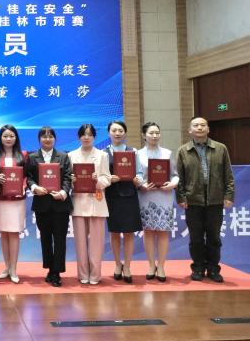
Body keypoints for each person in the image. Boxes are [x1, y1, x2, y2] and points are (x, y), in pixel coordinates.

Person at [176, 116, 235, 283]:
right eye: (196, 125)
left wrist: (229, 195)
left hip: (215, 201)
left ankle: (214, 269)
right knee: (196, 238)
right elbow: (179, 177)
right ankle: (198, 268)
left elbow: (228, 175)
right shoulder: (183, 151)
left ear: (208, 129)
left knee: (214, 238)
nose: (200, 128)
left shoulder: (220, 148)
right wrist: (181, 197)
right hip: (192, 201)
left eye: (203, 125)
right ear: (190, 130)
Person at [26, 126, 73, 287]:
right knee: (45, 239)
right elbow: (29, 177)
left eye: (50, 136)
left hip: (60, 204)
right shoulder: (32, 157)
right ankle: (50, 268)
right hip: (42, 205)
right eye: (44, 137)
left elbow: (67, 177)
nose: (47, 139)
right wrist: (34, 188)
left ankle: (56, 272)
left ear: (55, 139)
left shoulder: (63, 156)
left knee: (60, 239)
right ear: (39, 139)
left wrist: (63, 192)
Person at [68, 124, 111, 285]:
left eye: (90, 134)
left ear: (94, 137)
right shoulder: (71, 155)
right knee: (80, 242)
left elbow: (107, 178)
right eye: (83, 134)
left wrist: (97, 180)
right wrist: (71, 180)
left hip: (96, 201)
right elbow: (66, 179)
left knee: (96, 243)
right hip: (79, 201)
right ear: (79, 137)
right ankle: (83, 274)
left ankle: (95, 275)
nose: (86, 137)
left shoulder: (102, 155)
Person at [136, 122, 179, 282]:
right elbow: (137, 175)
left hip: (164, 195)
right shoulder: (137, 154)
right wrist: (141, 184)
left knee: (162, 232)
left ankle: (161, 266)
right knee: (148, 231)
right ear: (143, 135)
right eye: (151, 133)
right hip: (146, 195)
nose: (154, 136)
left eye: (157, 133)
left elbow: (175, 175)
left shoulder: (167, 153)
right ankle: (150, 265)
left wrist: (173, 184)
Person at [103, 121, 142, 283]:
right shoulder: (104, 153)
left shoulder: (133, 152)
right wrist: (108, 178)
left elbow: (139, 173)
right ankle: (118, 264)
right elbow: (102, 175)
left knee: (128, 233)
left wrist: (138, 179)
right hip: (112, 197)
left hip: (129, 196)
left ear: (125, 133)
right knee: (114, 233)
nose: (117, 133)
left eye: (120, 130)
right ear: (109, 133)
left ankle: (127, 266)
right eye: (114, 130)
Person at [0, 125, 27, 284]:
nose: (8, 139)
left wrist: (24, 185)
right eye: (5, 136)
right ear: (0, 138)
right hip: (1, 200)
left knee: (14, 233)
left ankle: (14, 268)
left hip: (17, 201)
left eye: (11, 136)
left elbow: (28, 176)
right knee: (4, 233)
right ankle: (6, 267)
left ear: (16, 138)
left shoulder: (23, 155)